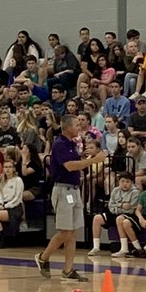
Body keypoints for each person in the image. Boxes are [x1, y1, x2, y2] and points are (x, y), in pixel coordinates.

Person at [36, 115, 107, 280]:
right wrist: (94, 160)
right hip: (63, 190)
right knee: (65, 231)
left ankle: (68, 270)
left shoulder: (71, 144)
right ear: (67, 127)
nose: (79, 127)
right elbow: (69, 166)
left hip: (74, 190)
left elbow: (75, 163)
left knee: (73, 232)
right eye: (76, 124)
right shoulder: (60, 144)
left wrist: (83, 156)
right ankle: (43, 257)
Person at [89, 171, 139, 255]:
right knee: (97, 218)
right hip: (115, 213)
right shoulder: (115, 190)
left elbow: (131, 209)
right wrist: (122, 205)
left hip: (129, 216)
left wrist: (117, 206)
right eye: (122, 181)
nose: (125, 184)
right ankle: (96, 247)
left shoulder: (135, 192)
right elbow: (111, 207)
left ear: (132, 183)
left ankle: (124, 249)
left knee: (120, 218)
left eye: (127, 182)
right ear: (119, 182)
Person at [0, 155, 25, 248]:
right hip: (4, 206)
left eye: (10, 167)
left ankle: (2, 240)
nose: (7, 169)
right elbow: (1, 197)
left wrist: (5, 206)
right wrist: (0, 204)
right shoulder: (3, 180)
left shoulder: (18, 180)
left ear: (14, 169)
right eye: (6, 167)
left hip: (15, 208)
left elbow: (17, 198)